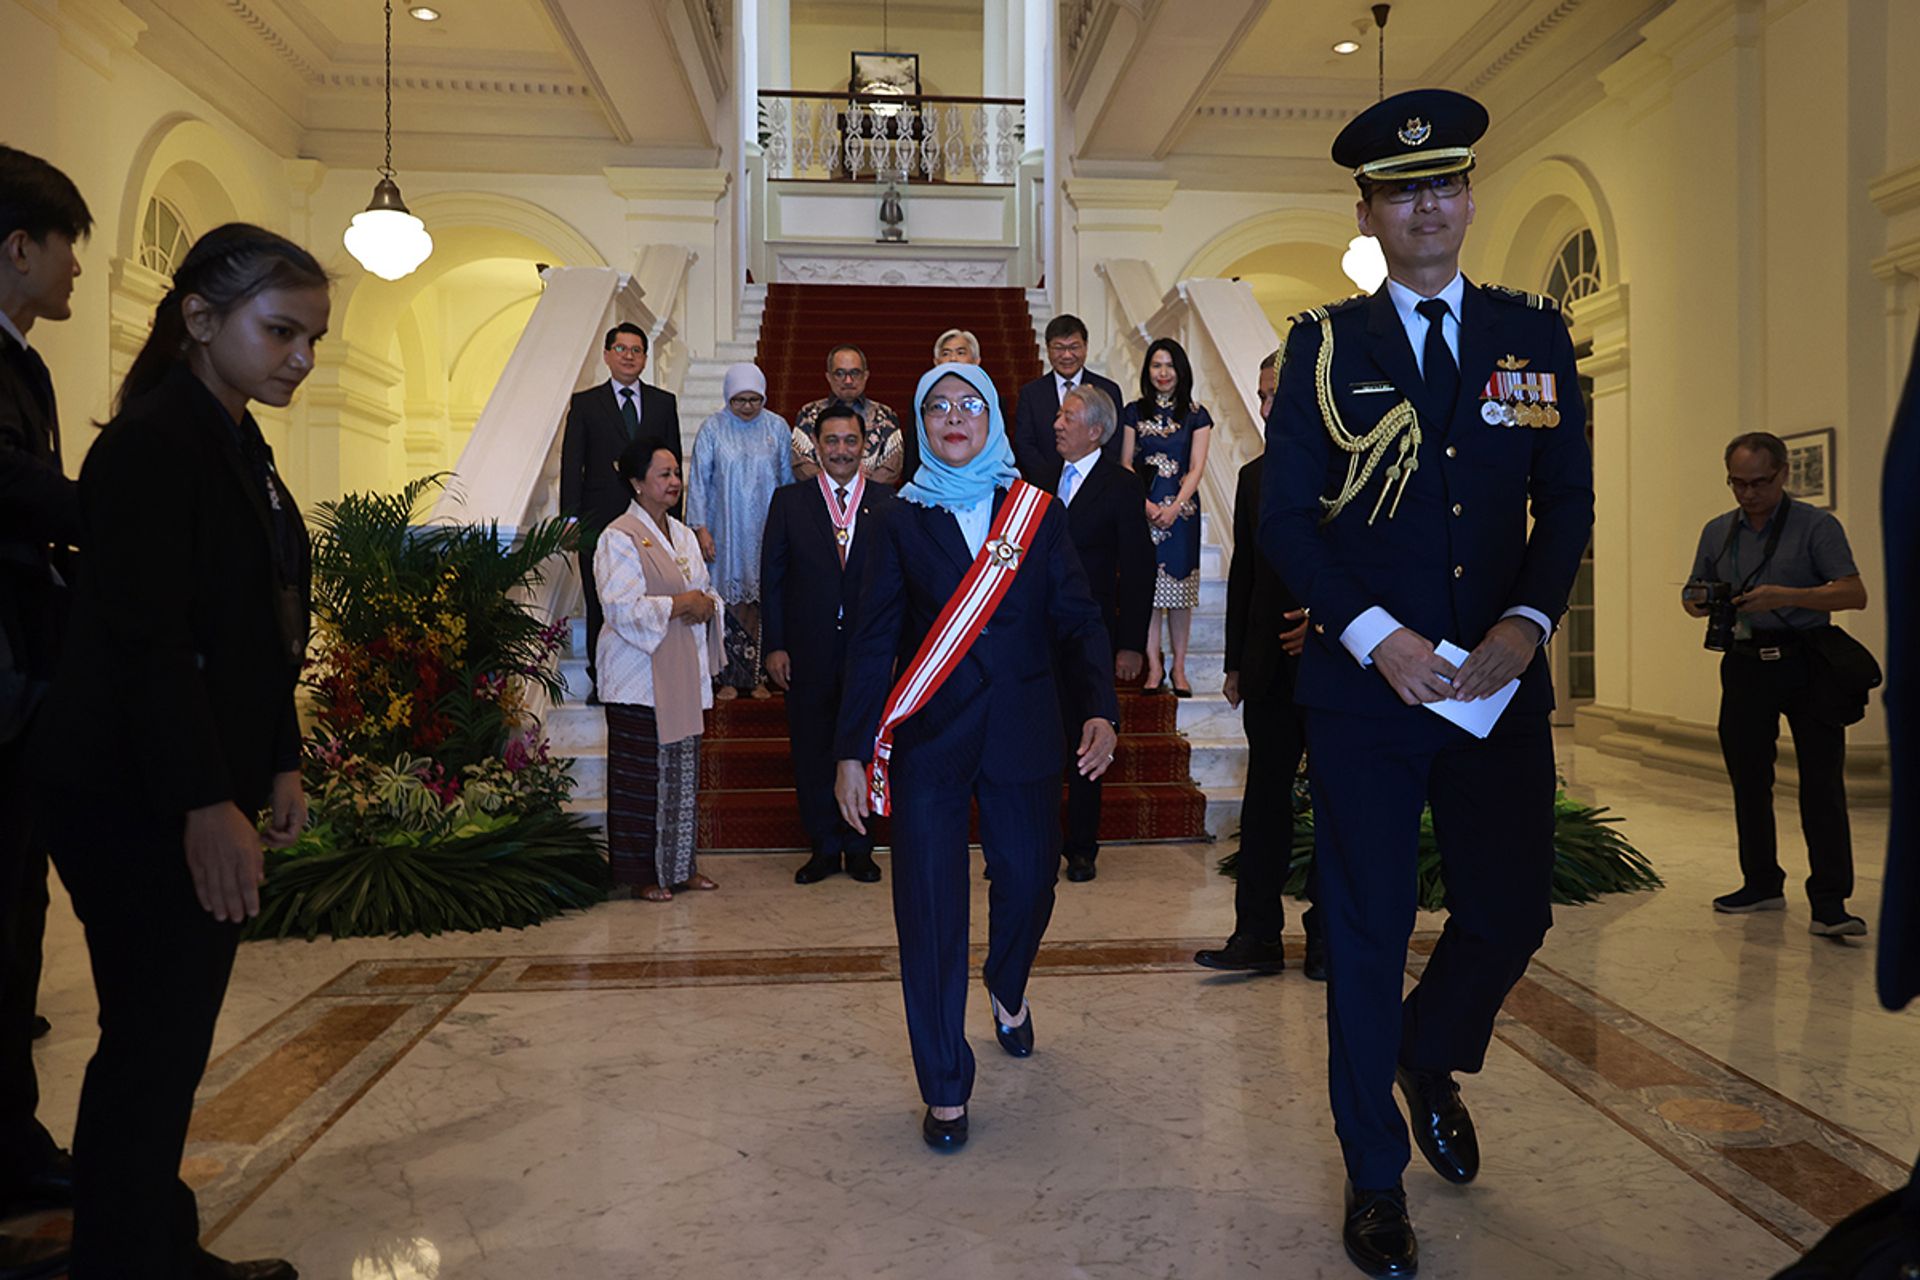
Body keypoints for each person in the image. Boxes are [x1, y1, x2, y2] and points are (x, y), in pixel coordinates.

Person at [1261, 89, 1593, 1278]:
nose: (1428, 206)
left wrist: (1524, 618)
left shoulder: (1533, 336)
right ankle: (1372, 1175)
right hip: (1368, 699)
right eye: (1402, 191)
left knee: (1512, 910)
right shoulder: (1323, 345)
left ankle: (1425, 1050)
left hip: (1496, 690)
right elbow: (1285, 517)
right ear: (1370, 210)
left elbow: (1566, 503)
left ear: (1469, 196)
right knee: (1364, 928)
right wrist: (1374, 636)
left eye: (1445, 184)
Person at [30, 222, 327, 1280]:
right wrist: (209, 804)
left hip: (193, 775)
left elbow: (258, 623)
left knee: (165, 1037)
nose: (300, 356)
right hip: (136, 792)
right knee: (151, 1041)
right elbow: (150, 647)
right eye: (281, 330)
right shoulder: (154, 443)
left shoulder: (232, 432)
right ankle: (126, 1259)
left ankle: (154, 1244)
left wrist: (280, 758)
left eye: (312, 339)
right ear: (201, 319)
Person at [832, 361, 1117, 1152]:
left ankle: (1006, 982)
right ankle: (945, 1084)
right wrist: (853, 750)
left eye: (968, 405)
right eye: (937, 407)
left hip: (1025, 727)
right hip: (930, 734)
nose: (953, 417)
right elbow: (873, 641)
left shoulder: (1036, 513)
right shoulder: (895, 520)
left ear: (991, 417)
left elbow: (1078, 617)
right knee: (926, 907)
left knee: (1028, 880)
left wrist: (1099, 705)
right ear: (922, 426)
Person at [0, 144, 84, 1276]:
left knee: (18, 922)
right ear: (19, 245)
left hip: (25, 683)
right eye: (70, 245)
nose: (77, 268)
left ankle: (12, 1143)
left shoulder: (27, 364)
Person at [1683, 431, 1869, 935]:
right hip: (1744, 663)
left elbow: (1854, 594)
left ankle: (1830, 902)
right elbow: (1692, 591)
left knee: (1821, 784)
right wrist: (1698, 601)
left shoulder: (1816, 526)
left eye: (1759, 482)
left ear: (1783, 473)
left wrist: (1787, 596)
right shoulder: (1718, 530)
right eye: (1737, 483)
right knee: (1748, 780)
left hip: (1808, 662)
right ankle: (1761, 882)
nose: (1748, 494)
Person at [1197, 349, 1324, 979]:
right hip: (1268, 669)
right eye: (1262, 393)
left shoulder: (1344, 470)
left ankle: (1328, 937)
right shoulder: (1254, 476)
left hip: (1333, 667)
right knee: (1265, 803)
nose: (1268, 405)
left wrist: (1326, 627)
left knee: (1333, 803)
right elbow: (1245, 574)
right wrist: (1234, 663)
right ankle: (1256, 935)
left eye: (1277, 393)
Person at [762, 402, 895, 885]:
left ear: (865, 446)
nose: (841, 450)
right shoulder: (789, 502)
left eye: (850, 441)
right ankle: (823, 845)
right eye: (832, 441)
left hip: (871, 652)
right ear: (816, 447)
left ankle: (861, 845)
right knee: (813, 747)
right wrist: (774, 645)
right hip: (807, 650)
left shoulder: (888, 501)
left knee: (865, 745)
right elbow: (772, 579)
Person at [596, 438, 723, 902]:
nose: (674, 482)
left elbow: (704, 593)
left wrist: (707, 606)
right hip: (638, 681)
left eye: (676, 474)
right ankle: (640, 874)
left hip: (683, 675)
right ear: (637, 482)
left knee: (682, 777)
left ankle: (681, 867)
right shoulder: (619, 537)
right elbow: (620, 608)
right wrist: (680, 605)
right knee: (640, 781)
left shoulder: (684, 534)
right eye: (664, 474)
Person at [1050, 384, 1153, 882]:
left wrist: (1131, 642)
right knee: (1043, 736)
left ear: (1095, 430)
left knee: (1090, 735)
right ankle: (1040, 838)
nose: (1057, 423)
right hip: (1039, 635)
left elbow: (1138, 568)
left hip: (1092, 635)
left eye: (1068, 416)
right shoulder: (1041, 481)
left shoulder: (1122, 485)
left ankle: (1082, 845)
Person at [559, 322, 681, 701]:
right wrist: (571, 517)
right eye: (621, 349)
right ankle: (601, 678)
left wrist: (675, 520)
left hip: (651, 517)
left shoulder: (664, 402)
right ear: (608, 355)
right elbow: (572, 462)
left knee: (651, 596)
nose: (629, 356)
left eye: (637, 350)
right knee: (602, 599)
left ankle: (654, 673)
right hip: (600, 516)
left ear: (646, 358)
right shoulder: (585, 403)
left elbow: (674, 461)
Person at [686, 363, 793, 700]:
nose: (747, 406)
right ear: (727, 397)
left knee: (765, 599)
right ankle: (728, 677)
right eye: (740, 400)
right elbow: (699, 483)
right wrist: (700, 529)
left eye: (754, 399)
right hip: (725, 529)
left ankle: (760, 677)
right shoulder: (712, 429)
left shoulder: (777, 427)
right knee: (727, 602)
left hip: (767, 528)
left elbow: (788, 481)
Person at [1122, 337, 1212, 697]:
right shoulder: (1133, 411)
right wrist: (1144, 505)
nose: (1163, 373)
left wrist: (1175, 506)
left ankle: (1180, 667)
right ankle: (1154, 666)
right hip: (1142, 508)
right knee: (1148, 591)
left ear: (1181, 370)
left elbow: (1197, 467)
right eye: (1156, 365)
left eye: (1169, 365)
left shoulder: (1196, 414)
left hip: (1183, 512)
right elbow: (1126, 463)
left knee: (1180, 594)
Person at [1011, 314, 1125, 488]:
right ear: (1048, 349)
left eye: (1074, 347)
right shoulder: (1031, 393)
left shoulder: (1107, 390)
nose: (1066, 355)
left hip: (1097, 486)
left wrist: (1089, 477)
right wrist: (1054, 480)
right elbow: (1025, 444)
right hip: (1045, 486)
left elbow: (1113, 440)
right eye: (1059, 348)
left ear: (1086, 347)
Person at [790, 344, 903, 485]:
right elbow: (800, 464)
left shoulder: (886, 415)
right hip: (819, 500)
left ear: (866, 376)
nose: (848, 381)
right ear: (828, 377)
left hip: (873, 502)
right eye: (840, 373)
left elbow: (892, 467)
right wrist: (835, 489)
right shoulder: (808, 414)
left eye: (855, 373)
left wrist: (858, 491)